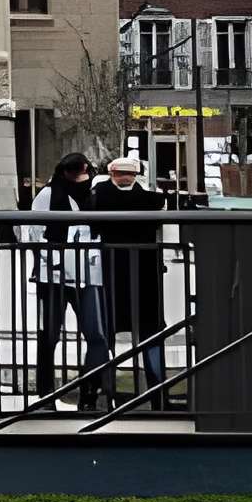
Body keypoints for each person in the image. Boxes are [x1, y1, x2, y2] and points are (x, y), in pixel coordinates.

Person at [25, 152, 114, 409]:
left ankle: (90, 393)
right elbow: (33, 230)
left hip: (88, 272)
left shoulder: (96, 194)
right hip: (52, 275)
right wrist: (47, 257)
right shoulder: (49, 195)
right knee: (48, 336)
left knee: (97, 335)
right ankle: (46, 395)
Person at [84, 155, 169, 399]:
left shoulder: (99, 195)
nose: (124, 178)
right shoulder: (150, 200)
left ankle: (103, 389)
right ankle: (155, 389)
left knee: (114, 328)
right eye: (121, 173)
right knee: (144, 329)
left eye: (127, 173)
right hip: (140, 269)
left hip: (117, 269)